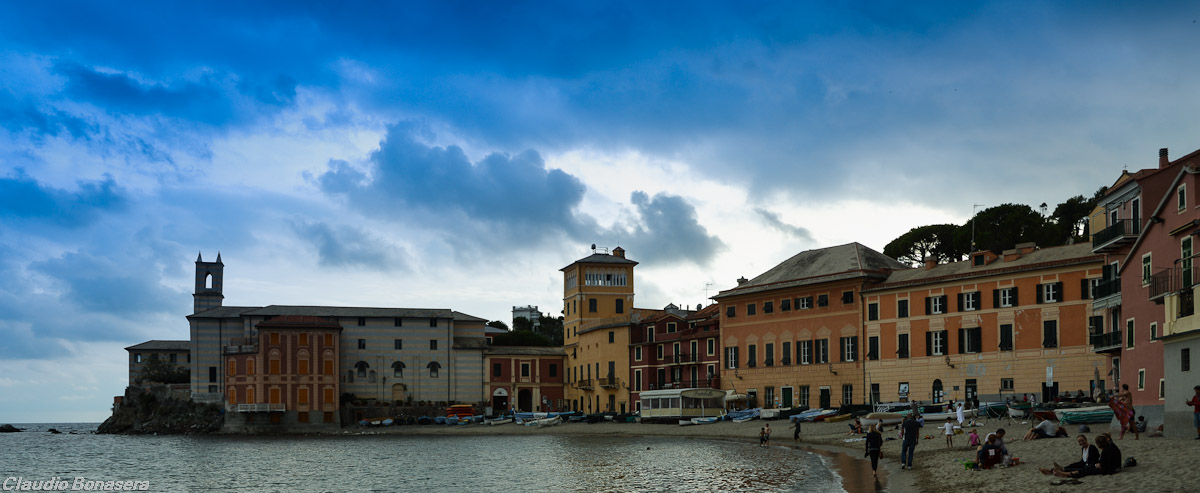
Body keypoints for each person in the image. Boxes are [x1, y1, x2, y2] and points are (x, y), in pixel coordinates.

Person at [1046, 433, 1122, 477]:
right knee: (1076, 465)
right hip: (1106, 467)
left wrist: (1097, 465)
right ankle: (1062, 470)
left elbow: (1100, 462)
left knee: (1084, 470)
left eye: (1082, 440)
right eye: (1079, 441)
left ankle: (1064, 473)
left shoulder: (1096, 448)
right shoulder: (1109, 447)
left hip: (1105, 469)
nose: (1081, 442)